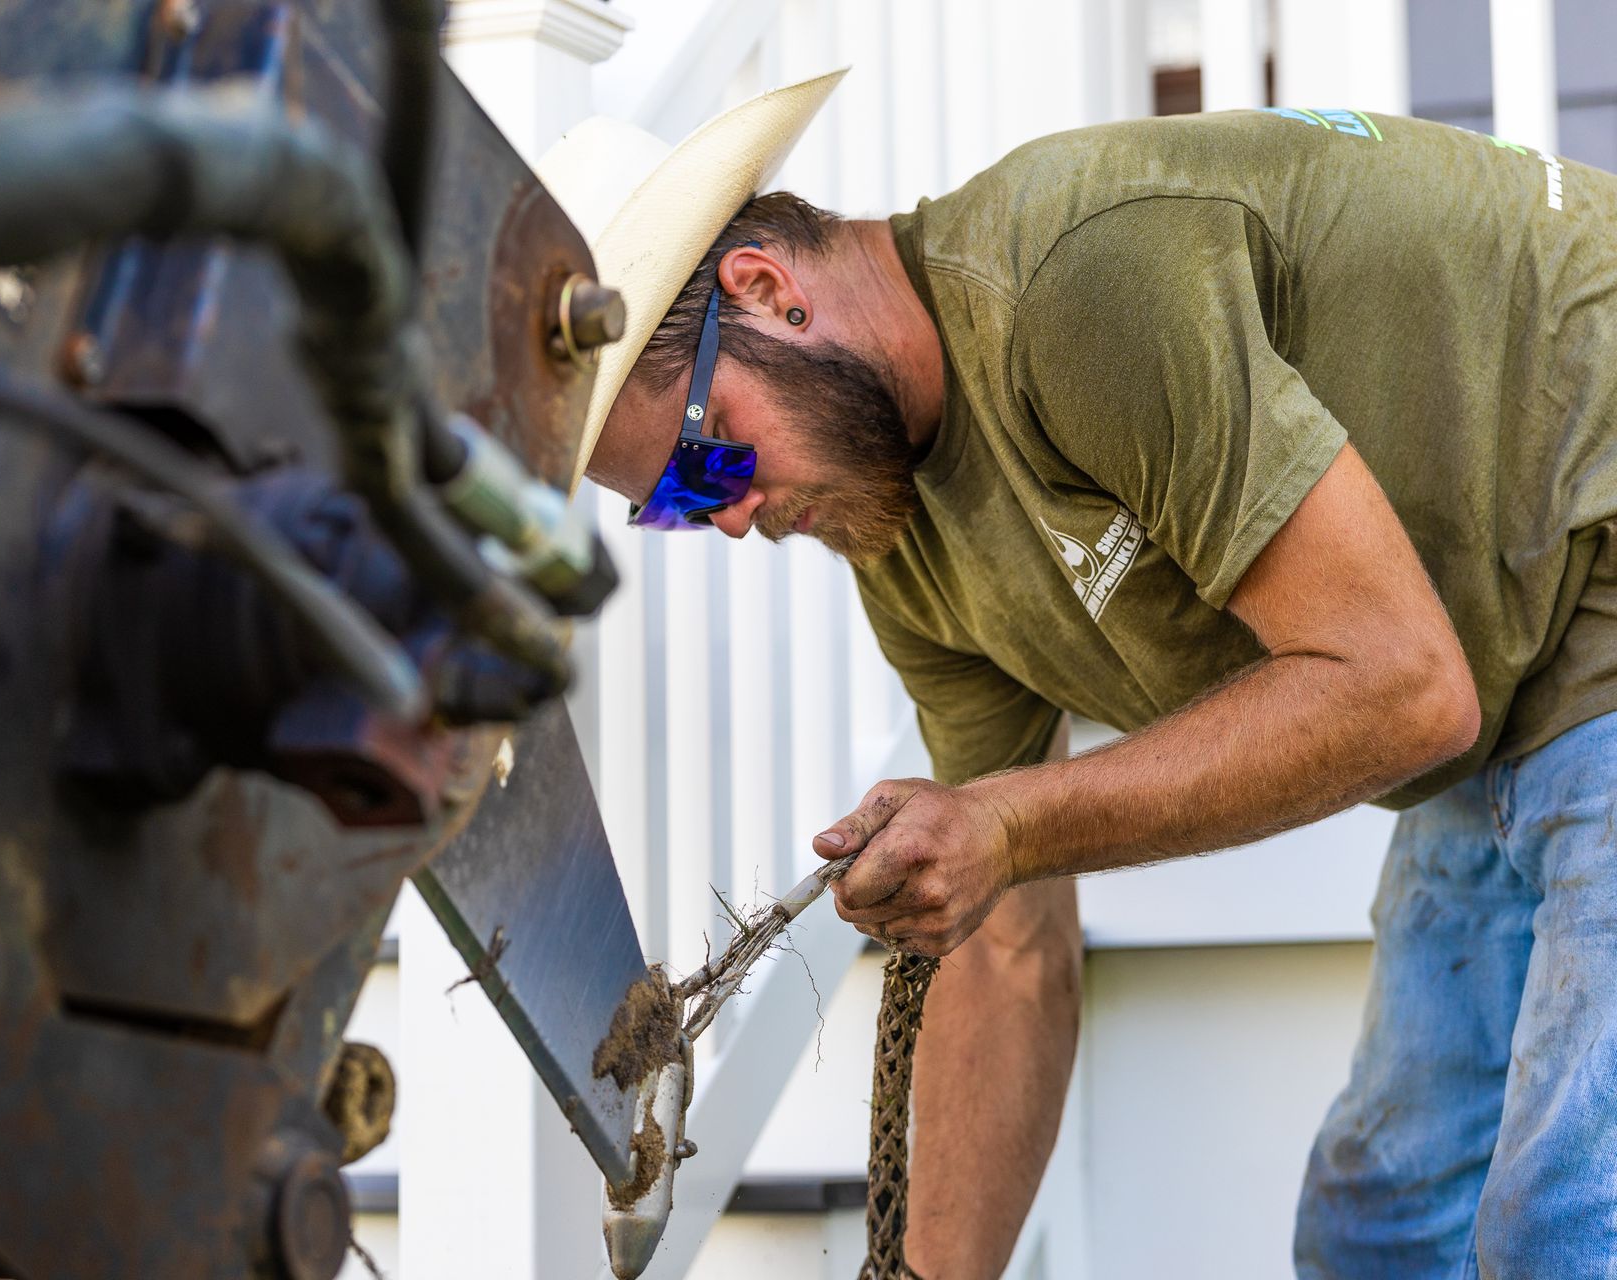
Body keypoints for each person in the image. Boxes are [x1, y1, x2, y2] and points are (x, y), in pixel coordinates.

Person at [540, 72, 1617, 1279]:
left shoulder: (1077, 285)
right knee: (1376, 1233)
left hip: (1583, 544)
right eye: (675, 510)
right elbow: (1010, 948)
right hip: (1505, 648)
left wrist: (1007, 821)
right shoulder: (899, 540)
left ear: (767, 292)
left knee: (1567, 1226)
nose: (727, 520)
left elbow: (1401, 686)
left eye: (703, 462)